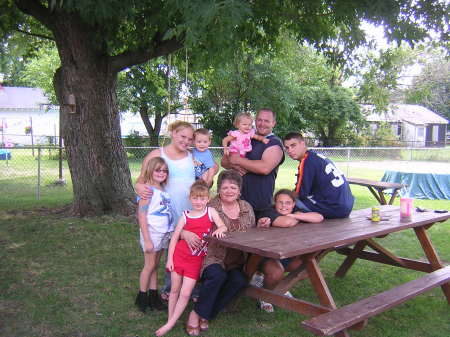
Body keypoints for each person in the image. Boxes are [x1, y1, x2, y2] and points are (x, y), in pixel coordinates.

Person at [184, 170, 255, 336]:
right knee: (217, 276)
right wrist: (184, 233)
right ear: (218, 190)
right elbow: (189, 222)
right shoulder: (210, 207)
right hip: (213, 256)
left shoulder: (247, 207)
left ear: (239, 191)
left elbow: (253, 232)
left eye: (233, 187)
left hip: (237, 260)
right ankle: (196, 314)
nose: (229, 191)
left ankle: (206, 313)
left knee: (239, 280)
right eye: (225, 188)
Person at [155, 181, 227, 336]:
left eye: (202, 198)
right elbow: (174, 237)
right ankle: (170, 320)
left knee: (186, 293)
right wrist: (169, 260)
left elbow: (223, 226)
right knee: (174, 290)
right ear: (190, 198)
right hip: (179, 256)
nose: (198, 202)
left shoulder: (210, 212)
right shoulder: (185, 216)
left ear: (208, 199)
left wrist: (220, 229)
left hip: (195, 260)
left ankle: (170, 323)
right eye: (195, 198)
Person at [135, 121, 197, 301]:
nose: (185, 141)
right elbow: (142, 179)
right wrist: (139, 187)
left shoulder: (191, 156)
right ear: (172, 133)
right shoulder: (158, 154)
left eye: (189, 138)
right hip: (163, 216)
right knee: (156, 259)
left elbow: (206, 171)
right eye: (182, 136)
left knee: (184, 253)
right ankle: (164, 291)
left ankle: (187, 288)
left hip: (187, 213)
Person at [255, 189, 324, 312]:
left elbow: (319, 217)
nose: (283, 206)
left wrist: (295, 215)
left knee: (308, 268)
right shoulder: (268, 211)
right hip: (264, 256)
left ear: (293, 204)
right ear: (275, 203)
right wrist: (299, 217)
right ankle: (265, 296)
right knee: (276, 272)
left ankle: (279, 287)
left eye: (288, 203)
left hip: (286, 255)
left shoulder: (295, 212)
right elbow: (287, 222)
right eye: (280, 202)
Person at [221, 108, 285, 218]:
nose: (262, 124)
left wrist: (238, 160)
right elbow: (224, 162)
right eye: (259, 120)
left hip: (258, 204)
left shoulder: (274, 143)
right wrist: (233, 164)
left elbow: (264, 168)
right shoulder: (245, 136)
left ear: (273, 123)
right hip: (235, 200)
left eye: (266, 121)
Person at [283, 132, 354, 219]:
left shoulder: (307, 161)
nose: (289, 150)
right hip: (346, 205)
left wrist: (281, 199)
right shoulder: (316, 156)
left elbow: (300, 193)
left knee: (286, 205)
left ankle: (310, 218)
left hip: (336, 208)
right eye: (287, 148)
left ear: (302, 144)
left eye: (293, 146)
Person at [135, 157, 174, 313]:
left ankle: (153, 296)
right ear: (150, 170)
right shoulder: (147, 190)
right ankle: (142, 297)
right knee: (149, 265)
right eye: (158, 170)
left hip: (164, 233)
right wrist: (147, 239)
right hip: (152, 233)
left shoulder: (163, 190)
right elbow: (142, 215)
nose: (161, 173)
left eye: (164, 170)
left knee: (155, 266)